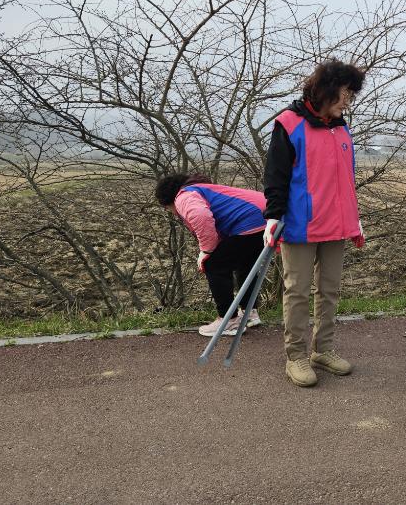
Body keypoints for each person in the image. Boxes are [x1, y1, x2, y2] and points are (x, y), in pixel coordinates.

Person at [263, 59, 367, 388]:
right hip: (300, 225)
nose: (348, 100)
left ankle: (323, 349)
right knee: (296, 291)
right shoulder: (289, 124)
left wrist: (355, 218)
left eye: (351, 94)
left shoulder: (340, 126)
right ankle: (295, 356)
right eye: (345, 93)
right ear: (326, 91)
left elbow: (345, 180)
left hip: (337, 224)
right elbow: (275, 177)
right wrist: (273, 216)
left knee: (330, 290)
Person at [155, 174, 269, 336]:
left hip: (251, 222)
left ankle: (228, 320)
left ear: (167, 201)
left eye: (167, 208)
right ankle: (249, 312)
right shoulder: (203, 189)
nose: (171, 212)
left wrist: (207, 251)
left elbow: (200, 216)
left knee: (213, 264)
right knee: (245, 264)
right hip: (268, 218)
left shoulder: (184, 196)